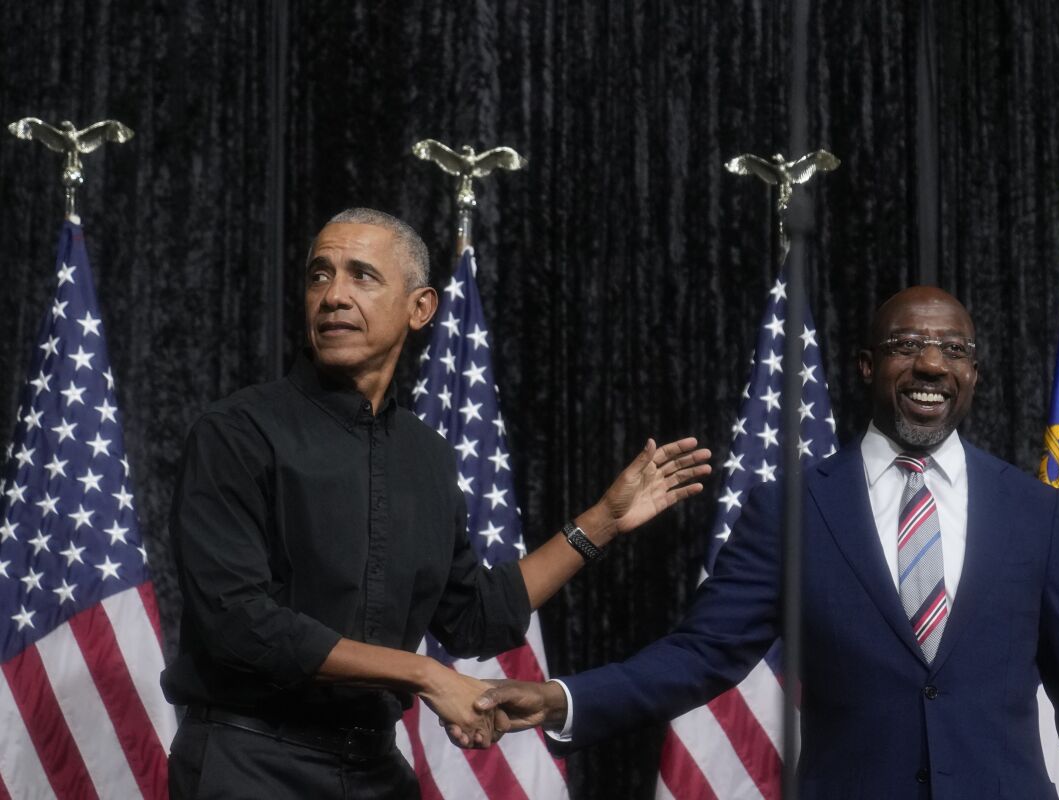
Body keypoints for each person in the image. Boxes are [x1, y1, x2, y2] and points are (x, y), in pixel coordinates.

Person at [474, 286, 1059, 798]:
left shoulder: (1035, 511)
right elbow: (702, 655)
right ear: (865, 366)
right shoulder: (791, 509)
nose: (930, 363)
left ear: (973, 373)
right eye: (905, 346)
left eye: (954, 349)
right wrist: (566, 698)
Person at [160, 207, 711, 798]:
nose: (334, 296)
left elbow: (475, 616)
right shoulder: (237, 432)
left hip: (375, 769)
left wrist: (602, 522)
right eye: (320, 275)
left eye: (362, 275)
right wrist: (424, 674)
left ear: (420, 308)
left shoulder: (427, 456)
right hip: (250, 764)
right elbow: (239, 625)